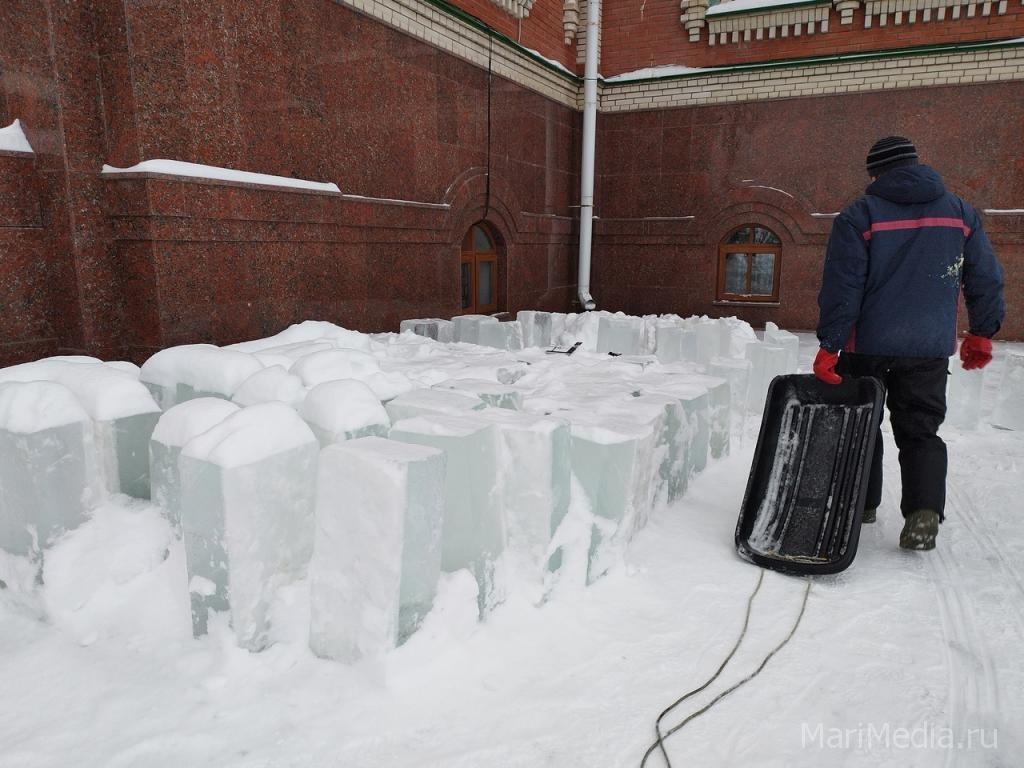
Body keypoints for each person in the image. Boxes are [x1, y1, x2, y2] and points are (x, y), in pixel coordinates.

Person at [813, 136, 1005, 551]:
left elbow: (843, 285)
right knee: (920, 430)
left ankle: (862, 504)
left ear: (875, 173)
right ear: (916, 164)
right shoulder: (959, 212)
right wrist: (982, 331)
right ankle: (923, 513)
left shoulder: (860, 214)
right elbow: (984, 277)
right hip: (928, 345)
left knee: (863, 423)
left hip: (867, 344)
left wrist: (830, 344)